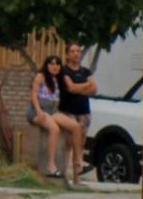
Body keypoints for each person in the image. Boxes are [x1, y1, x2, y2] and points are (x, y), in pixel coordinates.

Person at [27, 54, 80, 179]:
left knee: (76, 127)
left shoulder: (59, 79)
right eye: (51, 64)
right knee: (54, 129)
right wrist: (39, 111)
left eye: (57, 64)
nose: (54, 66)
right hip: (38, 110)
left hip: (52, 110)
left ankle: (78, 162)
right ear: (46, 65)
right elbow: (34, 95)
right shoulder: (41, 76)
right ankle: (51, 165)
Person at [57, 41, 97, 181]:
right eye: (72, 51)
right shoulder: (64, 71)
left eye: (78, 51)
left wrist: (79, 88)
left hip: (84, 111)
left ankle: (77, 177)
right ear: (67, 55)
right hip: (68, 111)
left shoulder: (86, 71)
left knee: (80, 144)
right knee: (69, 142)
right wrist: (86, 85)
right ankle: (63, 175)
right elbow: (71, 88)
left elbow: (94, 89)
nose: (76, 54)